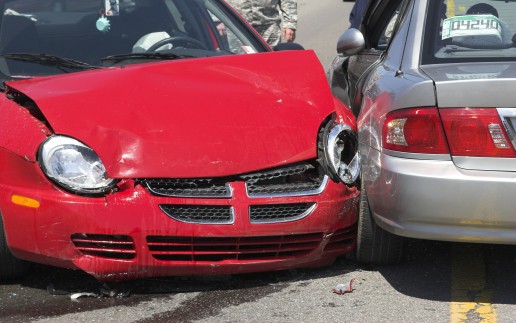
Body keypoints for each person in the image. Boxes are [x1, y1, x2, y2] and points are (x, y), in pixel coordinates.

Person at [226, 0, 297, 47]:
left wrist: (290, 24)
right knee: (239, 63)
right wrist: (217, 20)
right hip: (236, 26)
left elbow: (288, 1)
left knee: (271, 62)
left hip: (269, 26)